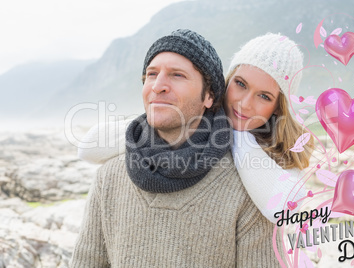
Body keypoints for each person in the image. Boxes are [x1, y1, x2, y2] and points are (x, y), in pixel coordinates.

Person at [70, 29, 284, 267]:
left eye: (177, 75)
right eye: (151, 74)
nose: (158, 86)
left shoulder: (247, 189)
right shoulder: (108, 178)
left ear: (210, 96)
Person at [78, 32, 313, 223]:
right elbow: (88, 147)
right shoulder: (192, 116)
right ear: (226, 81)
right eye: (240, 84)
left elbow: (285, 211)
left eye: (264, 96)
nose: (245, 103)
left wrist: (239, 138)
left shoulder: (284, 153)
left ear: (278, 107)